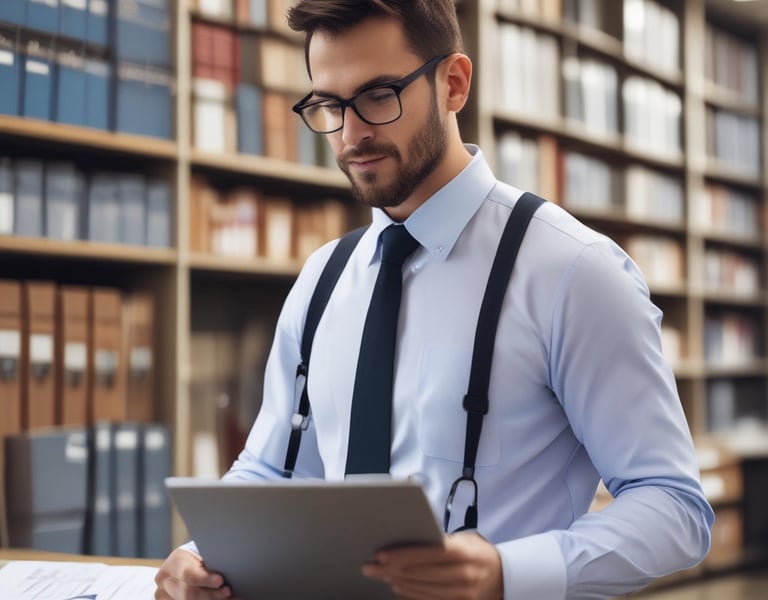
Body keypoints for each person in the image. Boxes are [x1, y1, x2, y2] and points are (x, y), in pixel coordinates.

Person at [155, 1, 714, 598]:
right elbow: (274, 469)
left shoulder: (573, 271)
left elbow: (674, 506)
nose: (350, 134)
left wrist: (508, 573)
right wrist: (199, 555)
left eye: (377, 96)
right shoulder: (322, 279)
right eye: (328, 105)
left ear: (453, 83)